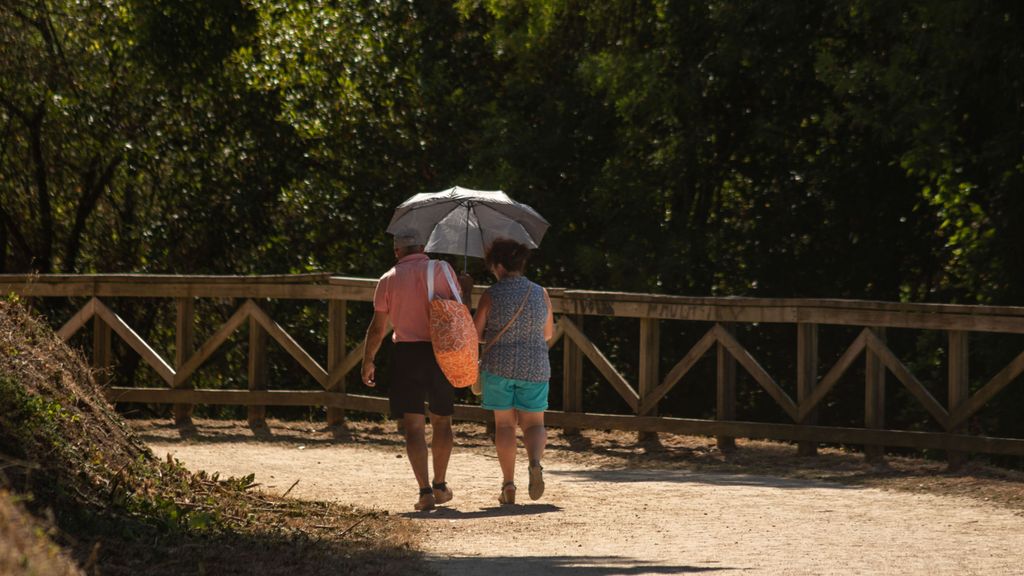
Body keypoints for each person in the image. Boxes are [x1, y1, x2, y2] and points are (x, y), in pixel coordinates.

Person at [361, 231, 466, 511]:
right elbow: (458, 309)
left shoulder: (388, 279)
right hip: (440, 351)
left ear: (397, 251)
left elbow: (378, 327)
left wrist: (368, 359)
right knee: (442, 420)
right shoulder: (442, 269)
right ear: (423, 247)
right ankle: (441, 484)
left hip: (406, 354)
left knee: (413, 426)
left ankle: (425, 491)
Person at [473, 238, 554, 505]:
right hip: (535, 366)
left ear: (498, 265)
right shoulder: (540, 292)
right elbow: (548, 333)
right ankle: (534, 462)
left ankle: (508, 485)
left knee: (505, 425)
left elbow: (475, 333)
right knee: (535, 423)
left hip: (499, 366)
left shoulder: (492, 294)